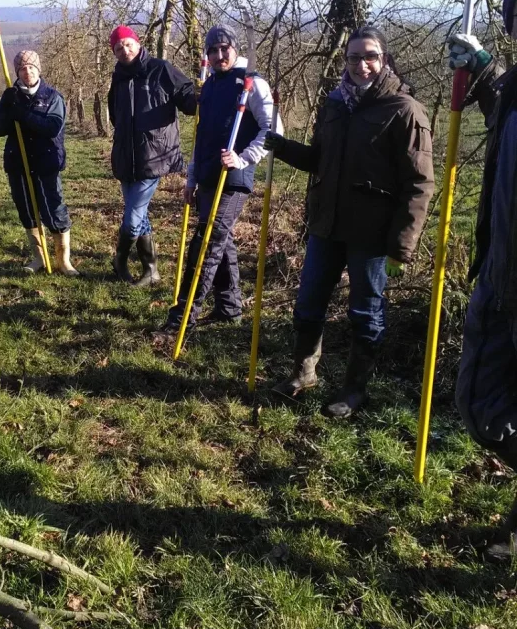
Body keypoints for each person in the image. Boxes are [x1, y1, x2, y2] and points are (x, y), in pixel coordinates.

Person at [265, 25, 434, 417]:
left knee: (365, 313)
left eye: (370, 56)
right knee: (308, 304)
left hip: (371, 235)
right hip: (326, 226)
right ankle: (303, 373)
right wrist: (284, 147)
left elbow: (420, 183)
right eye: (354, 57)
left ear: (384, 59)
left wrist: (401, 245)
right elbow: (320, 161)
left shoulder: (403, 110)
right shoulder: (335, 104)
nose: (362, 65)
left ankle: (354, 391)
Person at [448, 0, 517, 558]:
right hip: (499, 280)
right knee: (479, 407)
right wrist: (483, 67)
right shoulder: (515, 90)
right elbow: (503, 102)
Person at [163, 25, 277, 330]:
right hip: (208, 176)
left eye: (224, 48)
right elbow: (202, 138)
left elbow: (273, 130)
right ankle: (229, 307)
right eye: (212, 50)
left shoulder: (251, 83)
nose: (218, 54)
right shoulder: (211, 84)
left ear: (235, 48)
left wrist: (243, 158)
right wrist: (191, 179)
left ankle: (182, 319)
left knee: (205, 244)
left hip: (234, 178)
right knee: (221, 243)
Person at [107, 25, 197, 286]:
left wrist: (202, 96)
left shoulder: (160, 69)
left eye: (128, 44)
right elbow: (114, 113)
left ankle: (119, 260)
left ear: (138, 42)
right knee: (139, 212)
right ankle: (151, 270)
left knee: (133, 216)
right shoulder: (119, 76)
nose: (125, 50)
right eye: (118, 47)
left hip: (154, 154)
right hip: (126, 155)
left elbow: (187, 100)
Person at [0, 49, 78, 276]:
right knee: (27, 211)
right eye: (22, 69)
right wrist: (6, 107)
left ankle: (63, 260)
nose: (27, 72)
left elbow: (51, 127)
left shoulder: (52, 97)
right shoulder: (11, 96)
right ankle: (39, 258)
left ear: (38, 69)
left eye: (31, 67)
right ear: (17, 72)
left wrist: (22, 114)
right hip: (18, 162)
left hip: (46, 162)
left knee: (54, 210)